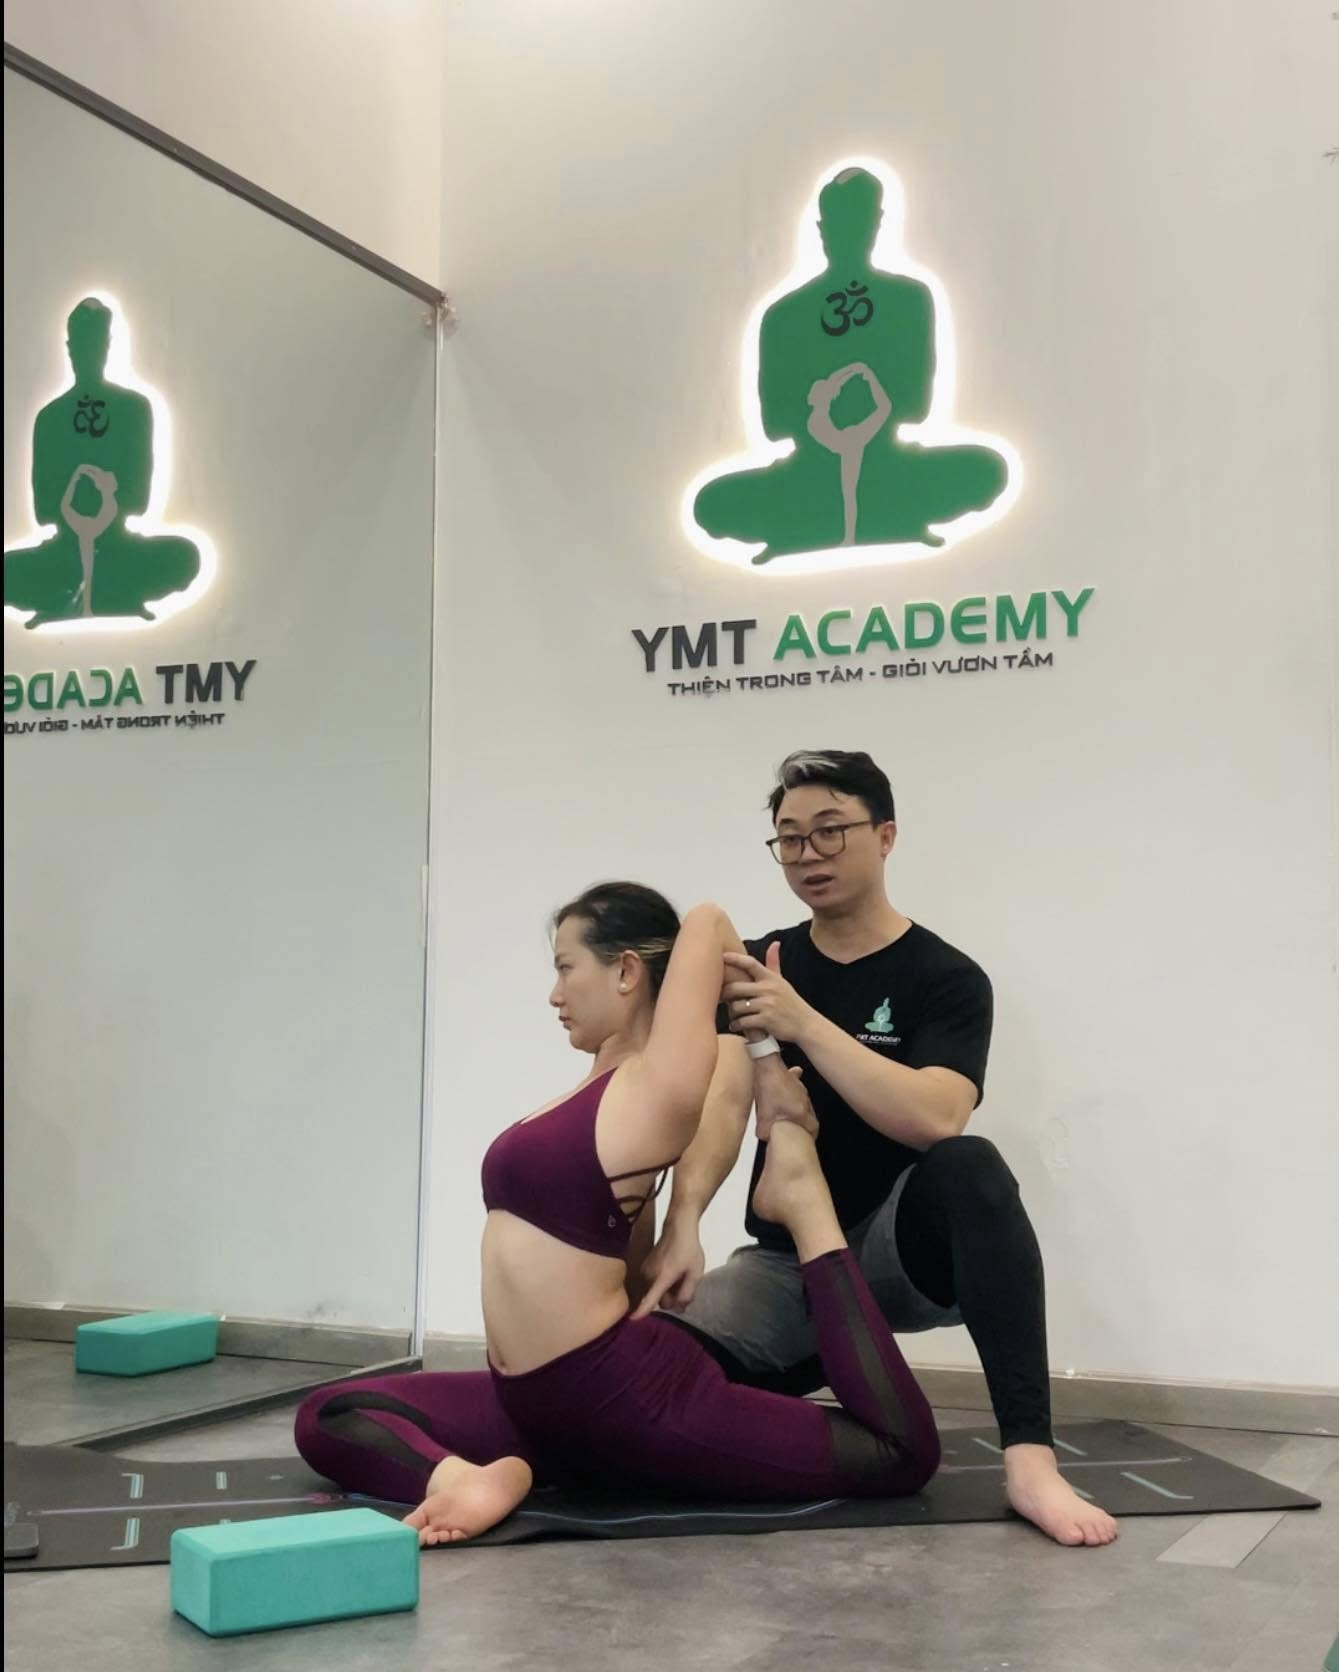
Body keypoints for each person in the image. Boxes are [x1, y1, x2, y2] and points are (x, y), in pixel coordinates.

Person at [295, 883, 941, 1545]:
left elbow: (708, 922)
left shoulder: (655, 1083)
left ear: (627, 971)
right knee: (329, 1414)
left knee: (898, 1455)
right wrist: (671, 1224)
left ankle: (804, 1202)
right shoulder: (593, 1092)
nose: (554, 994)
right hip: (534, 1402)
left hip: (625, 1401)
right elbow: (616, 1263)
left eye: (566, 968)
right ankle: (461, 1478)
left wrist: (767, 1064)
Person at [637, 751, 1118, 1548]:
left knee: (970, 1166)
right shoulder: (759, 961)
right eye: (790, 838)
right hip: (785, 1265)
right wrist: (682, 1221)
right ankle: (808, 1387)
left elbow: (936, 1116)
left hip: (897, 1253)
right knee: (646, 1366)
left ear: (885, 835)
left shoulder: (945, 977)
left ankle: (1030, 1462)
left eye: (830, 831)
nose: (808, 855)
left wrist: (801, 1022)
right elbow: (715, 1099)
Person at [692, 167, 1008, 563]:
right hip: (808, 471)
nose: (847, 233)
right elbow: (775, 423)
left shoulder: (909, 299)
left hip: (889, 461)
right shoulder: (784, 315)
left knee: (987, 469)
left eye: (858, 221)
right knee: (711, 504)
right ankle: (840, 518)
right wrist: (821, 408)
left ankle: (866, 515)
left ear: (877, 224)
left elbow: (916, 407)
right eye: (839, 222)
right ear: (822, 228)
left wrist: (870, 393)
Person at [4, 298, 199, 625]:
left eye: (95, 343)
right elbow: (44, 510)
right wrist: (73, 494)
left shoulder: (134, 409)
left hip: (119, 547)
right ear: (70, 348)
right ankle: (101, 592)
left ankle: (91, 591)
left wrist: (107, 493)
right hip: (64, 554)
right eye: (81, 344)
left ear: (108, 345)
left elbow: (139, 501)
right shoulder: (50, 417)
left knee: (186, 556)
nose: (88, 352)